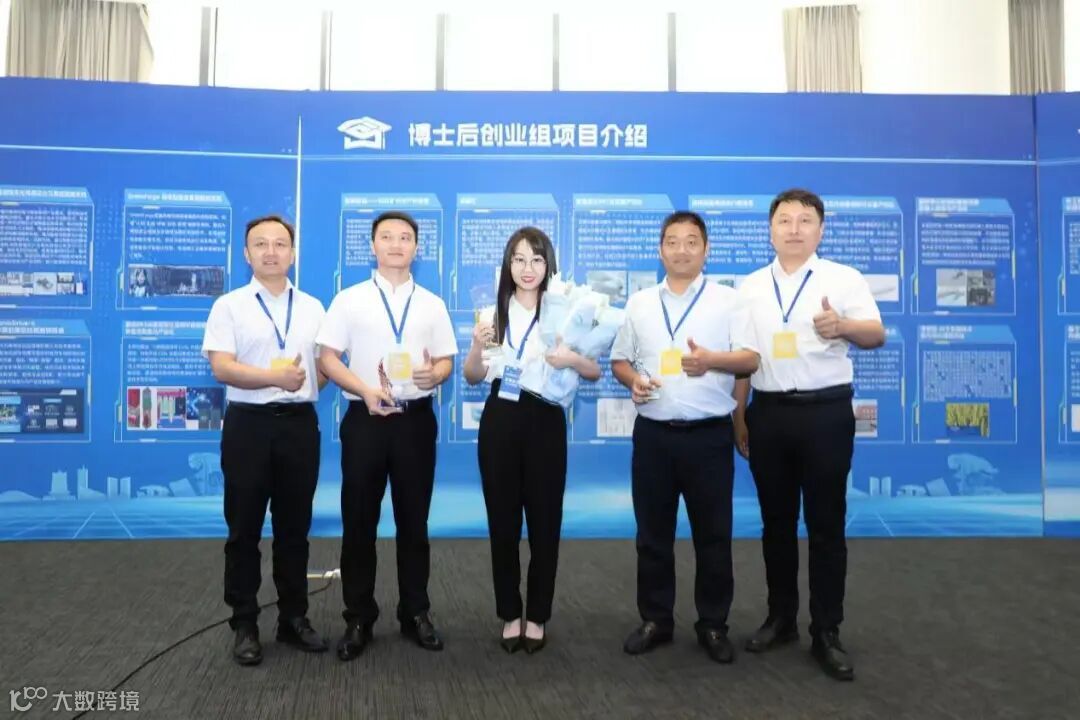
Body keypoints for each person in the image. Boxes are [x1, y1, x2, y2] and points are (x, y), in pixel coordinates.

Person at [733, 188, 885, 681]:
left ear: (821, 230)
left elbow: (876, 334)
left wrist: (842, 326)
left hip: (825, 414)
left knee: (826, 525)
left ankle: (826, 630)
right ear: (770, 229)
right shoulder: (750, 286)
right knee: (775, 524)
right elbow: (745, 358)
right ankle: (781, 618)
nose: (794, 229)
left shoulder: (844, 278)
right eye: (784, 220)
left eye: (804, 220)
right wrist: (739, 415)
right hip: (769, 413)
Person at [610, 211, 759, 664]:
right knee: (652, 535)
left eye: (691, 242)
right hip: (654, 436)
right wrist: (633, 380)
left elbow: (750, 360)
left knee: (713, 536)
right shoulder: (640, 303)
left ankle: (713, 624)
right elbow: (620, 360)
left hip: (708, 437)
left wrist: (712, 360)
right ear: (660, 250)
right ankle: (656, 619)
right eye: (672, 242)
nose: (681, 250)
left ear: (706, 250)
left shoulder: (729, 301)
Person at [317, 210, 458, 661]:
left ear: (417, 247)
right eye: (387, 237)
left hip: (415, 421)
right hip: (366, 420)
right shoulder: (349, 300)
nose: (396, 244)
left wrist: (435, 374)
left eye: (405, 237)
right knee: (359, 522)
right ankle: (358, 617)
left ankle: (415, 612)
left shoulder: (432, 304)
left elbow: (446, 361)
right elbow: (327, 358)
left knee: (414, 523)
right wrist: (364, 389)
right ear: (372, 245)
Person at [462, 227, 600, 654]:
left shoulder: (567, 313)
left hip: (545, 419)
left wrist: (571, 358)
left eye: (537, 260)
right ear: (508, 264)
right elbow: (472, 375)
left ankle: (537, 614)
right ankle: (510, 612)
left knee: (545, 523)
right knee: (502, 522)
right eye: (519, 259)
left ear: (548, 266)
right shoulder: (492, 313)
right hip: (501, 418)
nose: (527, 268)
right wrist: (475, 346)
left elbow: (593, 371)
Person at [202, 214, 328, 666]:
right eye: (261, 244)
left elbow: (323, 368)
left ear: (292, 253)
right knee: (244, 530)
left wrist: (302, 389)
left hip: (298, 427)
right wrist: (275, 380)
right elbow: (222, 367)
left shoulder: (313, 307)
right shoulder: (229, 306)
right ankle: (245, 623)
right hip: (248, 426)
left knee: (294, 529)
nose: (271, 251)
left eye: (280, 244)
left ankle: (293, 617)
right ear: (246, 253)